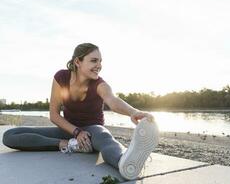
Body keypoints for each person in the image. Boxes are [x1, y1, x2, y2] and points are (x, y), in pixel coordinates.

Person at [2, 43, 159, 180]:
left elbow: (112, 100)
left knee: (105, 139)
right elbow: (54, 115)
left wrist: (133, 112)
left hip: (92, 132)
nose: (99, 65)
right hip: (68, 131)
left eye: (100, 61)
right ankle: (68, 145)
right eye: (94, 60)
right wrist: (75, 133)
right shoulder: (61, 78)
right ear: (78, 61)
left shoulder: (99, 84)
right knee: (10, 136)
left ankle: (124, 162)